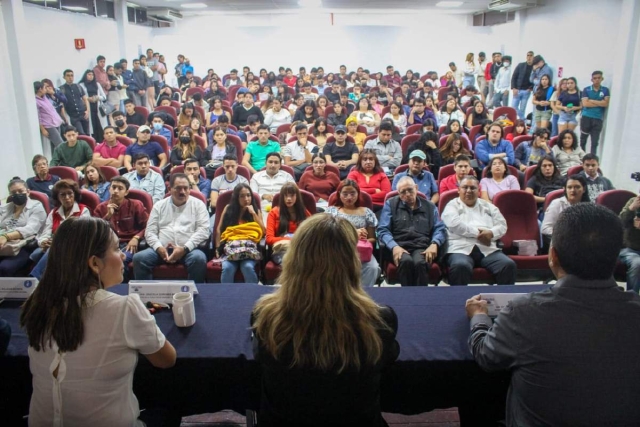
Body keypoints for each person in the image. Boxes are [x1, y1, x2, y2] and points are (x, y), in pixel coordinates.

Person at [466, 203, 640, 426]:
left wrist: (479, 317)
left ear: (553, 256)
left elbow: (485, 356)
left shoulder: (524, 313)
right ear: (617, 257)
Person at [22, 216, 176, 426]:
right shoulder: (124, 308)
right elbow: (166, 360)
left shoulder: (36, 304)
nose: (123, 255)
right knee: (169, 409)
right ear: (94, 263)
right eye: (116, 248)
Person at [251, 213, 399, 426]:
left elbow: (259, 356)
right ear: (351, 261)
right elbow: (390, 358)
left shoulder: (264, 316)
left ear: (294, 259)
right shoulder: (381, 320)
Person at [133, 173, 209, 282]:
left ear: (190, 188)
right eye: (178, 188)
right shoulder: (159, 205)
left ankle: (194, 296)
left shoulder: (198, 205)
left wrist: (184, 249)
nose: (182, 192)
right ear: (169, 189)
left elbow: (203, 231)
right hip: (161, 250)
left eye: (185, 188)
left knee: (199, 258)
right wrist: (159, 248)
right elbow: (150, 232)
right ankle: (146, 297)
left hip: (188, 250)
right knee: (139, 258)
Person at [442, 175, 516, 285]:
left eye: (473, 188)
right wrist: (481, 234)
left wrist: (491, 233)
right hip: (460, 249)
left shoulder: (488, 206)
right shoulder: (452, 205)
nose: (468, 191)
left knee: (508, 265)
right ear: (458, 190)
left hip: (487, 249)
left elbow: (502, 225)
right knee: (460, 266)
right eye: (465, 187)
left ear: (479, 190)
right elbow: (455, 224)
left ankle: (504, 302)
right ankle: (458, 301)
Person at [378, 176, 446, 286]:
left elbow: (440, 228)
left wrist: (435, 244)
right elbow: (383, 230)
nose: (407, 194)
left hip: (422, 246)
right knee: (405, 261)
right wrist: (394, 246)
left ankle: (421, 299)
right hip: (399, 245)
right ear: (398, 194)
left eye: (410, 190)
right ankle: (407, 299)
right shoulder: (391, 205)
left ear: (416, 188)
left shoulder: (429, 206)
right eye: (403, 192)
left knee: (420, 263)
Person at [30, 180, 92, 280]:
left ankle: (35, 278)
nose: (67, 198)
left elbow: (83, 236)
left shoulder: (83, 211)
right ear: (58, 197)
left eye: (70, 194)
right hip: (53, 247)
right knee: (42, 252)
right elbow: (46, 233)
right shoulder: (53, 213)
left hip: (75, 248)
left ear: (75, 194)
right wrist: (44, 242)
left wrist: (58, 242)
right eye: (63, 195)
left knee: (48, 251)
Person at [326, 180, 380, 286]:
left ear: (358, 194)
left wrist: (364, 239)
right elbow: (327, 235)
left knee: (373, 267)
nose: (349, 197)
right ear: (339, 194)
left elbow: (372, 239)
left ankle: (363, 296)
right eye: (345, 194)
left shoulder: (366, 212)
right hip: (338, 250)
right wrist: (354, 234)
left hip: (361, 252)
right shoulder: (331, 212)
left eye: (352, 193)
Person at [94, 176, 149, 271]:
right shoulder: (100, 208)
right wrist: (108, 216)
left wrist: (136, 238)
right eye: (113, 187)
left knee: (121, 260)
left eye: (120, 188)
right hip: (108, 245)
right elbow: (95, 231)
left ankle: (123, 286)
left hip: (129, 244)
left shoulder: (135, 205)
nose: (115, 191)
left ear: (126, 192)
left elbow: (148, 226)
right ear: (109, 189)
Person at [216, 183, 265, 283]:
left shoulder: (255, 211)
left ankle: (251, 296)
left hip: (249, 250)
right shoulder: (228, 209)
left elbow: (263, 232)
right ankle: (226, 297)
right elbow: (219, 230)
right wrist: (217, 248)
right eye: (242, 196)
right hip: (230, 249)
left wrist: (253, 214)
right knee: (227, 268)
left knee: (247, 267)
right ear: (236, 198)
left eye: (248, 195)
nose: (246, 199)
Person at [0, 178, 47, 276]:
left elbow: (31, 229)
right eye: (14, 192)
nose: (17, 194)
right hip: (3, 246)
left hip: (24, 247)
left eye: (20, 191)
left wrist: (6, 236)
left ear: (28, 192)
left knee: (4, 268)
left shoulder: (37, 206)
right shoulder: (5, 208)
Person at [266, 183, 312, 263]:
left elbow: (313, 234)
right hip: (282, 250)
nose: (288, 199)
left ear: (297, 197)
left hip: (301, 249)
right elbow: (269, 239)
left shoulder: (304, 212)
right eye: (285, 196)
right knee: (291, 262)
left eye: (292, 195)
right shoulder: (274, 212)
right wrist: (291, 239)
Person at [541, 174, 589, 245]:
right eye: (569, 187)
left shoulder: (588, 206)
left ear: (584, 189)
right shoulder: (557, 204)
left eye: (577, 187)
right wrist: (564, 235)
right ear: (565, 189)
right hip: (561, 242)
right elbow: (545, 228)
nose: (573, 190)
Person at [580, 71, 610, 154]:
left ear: (602, 79)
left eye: (599, 78)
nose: (597, 80)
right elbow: (585, 103)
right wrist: (600, 102)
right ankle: (581, 158)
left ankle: (592, 160)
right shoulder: (587, 89)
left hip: (598, 118)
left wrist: (592, 100)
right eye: (595, 78)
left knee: (595, 142)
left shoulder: (605, 90)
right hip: (586, 117)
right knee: (583, 140)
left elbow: (606, 103)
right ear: (591, 79)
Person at [79, 69, 108, 143]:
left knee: (100, 126)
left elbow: (104, 97)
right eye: (89, 74)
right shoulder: (81, 85)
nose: (91, 76)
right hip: (88, 107)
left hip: (97, 107)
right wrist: (88, 99)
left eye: (92, 75)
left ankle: (102, 141)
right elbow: (79, 98)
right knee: (91, 127)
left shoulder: (97, 84)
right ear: (85, 75)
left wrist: (97, 98)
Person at [59, 69, 90, 135]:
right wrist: (65, 117)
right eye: (68, 76)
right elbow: (62, 105)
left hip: (83, 113)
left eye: (72, 75)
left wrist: (87, 111)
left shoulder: (78, 86)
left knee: (87, 133)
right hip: (73, 116)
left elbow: (85, 99)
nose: (70, 77)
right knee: (80, 133)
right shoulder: (62, 89)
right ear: (64, 77)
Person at [35, 81, 65, 149]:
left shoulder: (44, 97)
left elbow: (54, 109)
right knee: (60, 144)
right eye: (45, 87)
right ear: (40, 89)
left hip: (56, 122)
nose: (47, 89)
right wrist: (42, 129)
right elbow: (38, 117)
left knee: (54, 146)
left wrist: (52, 93)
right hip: (48, 125)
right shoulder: (37, 101)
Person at [620, 193, 640, 293]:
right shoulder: (633, 202)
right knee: (637, 263)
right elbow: (619, 223)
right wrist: (631, 208)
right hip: (629, 249)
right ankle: (632, 300)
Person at [510, 51, 534, 120]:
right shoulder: (521, 65)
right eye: (528, 55)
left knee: (523, 108)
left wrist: (530, 88)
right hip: (518, 89)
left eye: (531, 56)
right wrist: (514, 88)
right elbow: (514, 76)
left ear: (533, 57)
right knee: (513, 107)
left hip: (526, 91)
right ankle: (523, 119)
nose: (529, 57)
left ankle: (521, 122)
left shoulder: (534, 68)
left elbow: (535, 79)